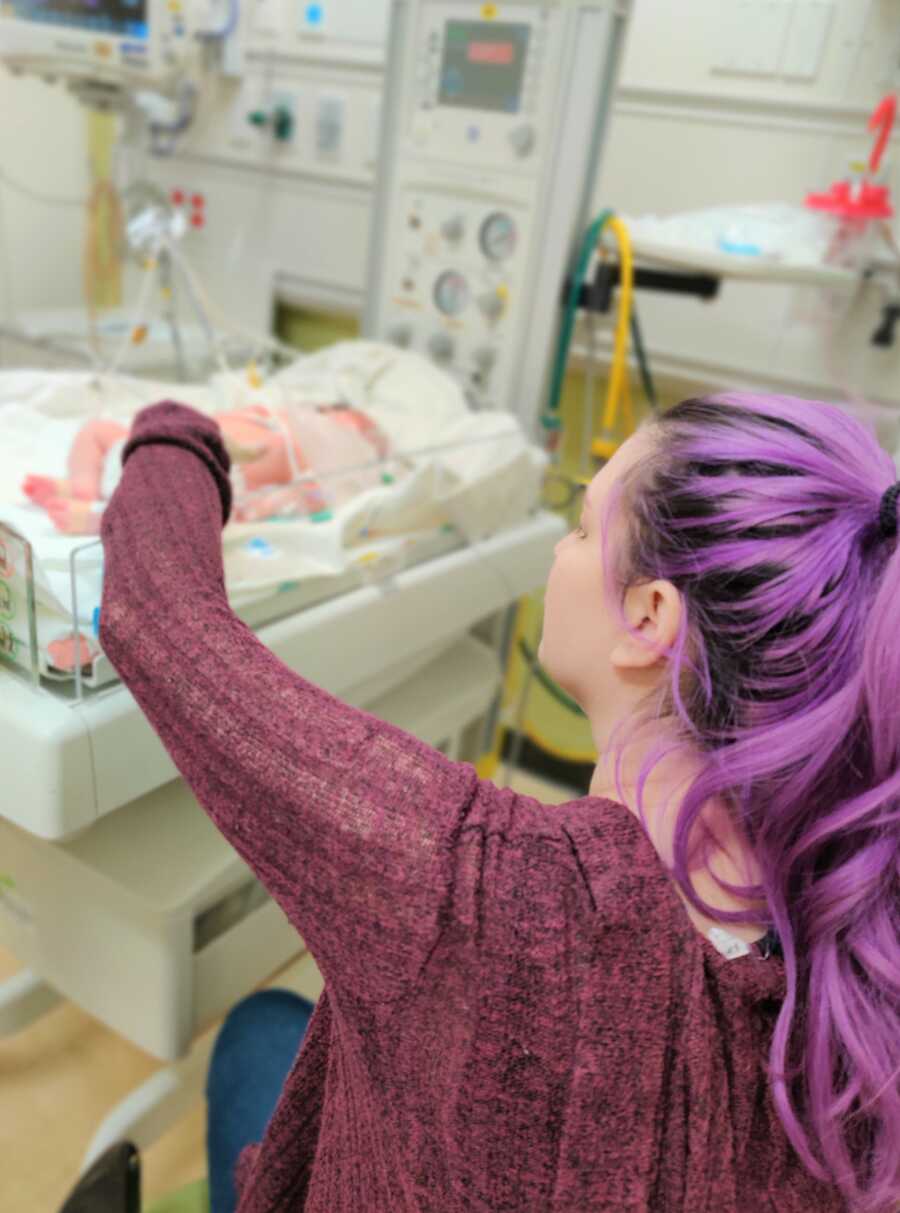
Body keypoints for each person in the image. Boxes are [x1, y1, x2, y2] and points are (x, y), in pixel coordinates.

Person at [96, 392, 899, 1213]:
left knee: (255, 1030)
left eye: (584, 526)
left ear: (649, 616)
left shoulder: (494, 896)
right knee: (275, 1027)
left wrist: (174, 431)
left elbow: (154, 613)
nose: (561, 547)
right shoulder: (856, 966)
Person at [22, 401, 390, 533]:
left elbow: (301, 498)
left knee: (202, 512)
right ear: (322, 411)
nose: (352, 430)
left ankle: (104, 517)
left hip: (201, 473)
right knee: (96, 430)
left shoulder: (310, 462)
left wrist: (267, 506)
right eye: (353, 421)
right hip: (155, 441)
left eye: (360, 435)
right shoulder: (273, 414)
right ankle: (84, 482)